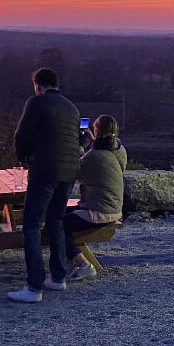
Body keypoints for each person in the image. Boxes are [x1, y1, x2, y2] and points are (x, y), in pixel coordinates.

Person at [8, 67, 82, 303]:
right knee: (56, 221)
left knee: (31, 225)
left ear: (38, 85)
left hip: (44, 170)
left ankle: (34, 287)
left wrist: (24, 158)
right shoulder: (72, 107)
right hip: (69, 173)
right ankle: (58, 278)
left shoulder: (37, 102)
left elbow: (22, 135)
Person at [59, 114, 127, 282]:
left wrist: (80, 147)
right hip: (114, 207)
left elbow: (74, 173)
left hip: (99, 211)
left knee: (57, 224)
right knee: (61, 214)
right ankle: (68, 258)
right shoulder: (120, 149)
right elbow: (103, 167)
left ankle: (84, 265)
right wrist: (92, 142)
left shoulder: (93, 155)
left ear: (96, 131)